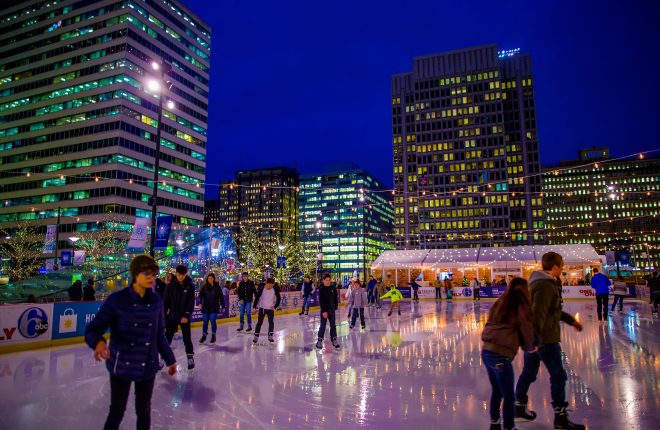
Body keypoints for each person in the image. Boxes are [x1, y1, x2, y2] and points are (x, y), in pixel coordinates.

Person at [85, 255, 177, 430]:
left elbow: (159, 334)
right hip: (121, 366)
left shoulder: (156, 301)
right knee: (117, 411)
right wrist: (98, 343)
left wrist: (170, 359)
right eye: (147, 274)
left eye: (154, 274)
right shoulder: (117, 300)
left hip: (148, 366)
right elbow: (93, 329)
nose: (152, 278)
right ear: (135, 275)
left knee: (144, 411)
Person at [514, 252, 585, 430]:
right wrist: (535, 339)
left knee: (529, 374)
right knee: (558, 376)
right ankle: (560, 417)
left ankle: (519, 407)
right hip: (545, 340)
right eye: (561, 267)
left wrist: (571, 321)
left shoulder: (539, 283)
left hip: (536, 339)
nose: (562, 270)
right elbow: (539, 313)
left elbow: (551, 310)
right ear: (554, 267)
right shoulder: (545, 285)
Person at [482, 277, 535, 430]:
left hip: (487, 351)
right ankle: (509, 427)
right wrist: (529, 347)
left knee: (497, 390)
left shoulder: (501, 301)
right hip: (500, 355)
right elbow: (526, 328)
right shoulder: (520, 305)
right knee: (509, 395)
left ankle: (495, 423)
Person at [163, 265, 195, 370]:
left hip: (184, 317)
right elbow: (166, 301)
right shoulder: (170, 285)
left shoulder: (190, 285)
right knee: (167, 337)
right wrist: (165, 314)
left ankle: (190, 357)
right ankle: (163, 358)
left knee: (187, 339)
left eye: (183, 275)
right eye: (179, 274)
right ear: (176, 274)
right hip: (172, 316)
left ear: (186, 274)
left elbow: (191, 302)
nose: (180, 277)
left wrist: (186, 314)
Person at [252, 277, 281, 344]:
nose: (270, 286)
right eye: (269, 285)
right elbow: (257, 298)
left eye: (272, 285)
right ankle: (256, 336)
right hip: (262, 308)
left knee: (271, 322)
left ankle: (270, 336)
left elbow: (279, 298)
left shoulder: (274, 289)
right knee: (259, 322)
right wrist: (254, 307)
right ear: (266, 283)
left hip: (270, 309)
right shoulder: (262, 289)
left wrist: (275, 306)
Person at [199, 273, 225, 344]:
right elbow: (200, 295)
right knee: (205, 322)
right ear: (207, 279)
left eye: (211, 278)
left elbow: (221, 296)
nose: (210, 279)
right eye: (209, 278)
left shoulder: (217, 287)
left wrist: (223, 306)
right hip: (205, 307)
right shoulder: (204, 286)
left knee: (213, 321)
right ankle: (204, 335)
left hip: (214, 307)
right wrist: (200, 303)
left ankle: (213, 335)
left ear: (214, 279)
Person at [316, 274, 340, 350]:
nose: (328, 281)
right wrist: (324, 311)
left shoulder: (333, 288)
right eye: (326, 280)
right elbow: (321, 301)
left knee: (333, 325)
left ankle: (334, 339)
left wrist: (335, 306)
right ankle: (319, 340)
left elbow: (335, 298)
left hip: (332, 310)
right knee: (322, 325)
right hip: (324, 310)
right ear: (323, 281)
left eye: (329, 280)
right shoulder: (321, 289)